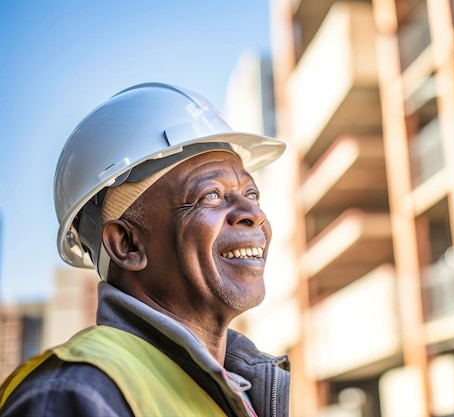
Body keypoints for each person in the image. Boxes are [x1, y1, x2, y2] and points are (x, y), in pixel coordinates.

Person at [0, 83, 290, 417]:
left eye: (251, 194)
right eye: (209, 194)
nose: (254, 214)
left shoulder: (236, 389)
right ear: (127, 244)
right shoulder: (76, 396)